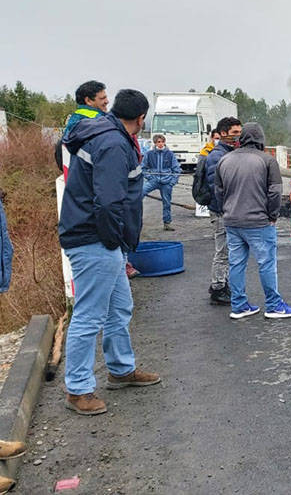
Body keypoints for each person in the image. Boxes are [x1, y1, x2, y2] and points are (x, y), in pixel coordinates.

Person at [58, 89, 161, 416]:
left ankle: (121, 369)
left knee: (119, 307)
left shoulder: (103, 132)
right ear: (141, 118)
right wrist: (114, 238)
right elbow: (108, 202)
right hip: (95, 240)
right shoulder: (114, 144)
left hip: (103, 240)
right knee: (89, 315)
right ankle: (78, 389)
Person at [214, 122, 291, 320]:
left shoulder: (224, 160)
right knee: (266, 264)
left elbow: (218, 192)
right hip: (259, 223)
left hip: (232, 222)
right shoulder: (267, 161)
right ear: (261, 139)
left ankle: (239, 305)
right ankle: (273, 305)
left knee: (236, 264)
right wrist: (272, 216)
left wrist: (226, 211)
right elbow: (275, 192)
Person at [204, 117, 241, 305]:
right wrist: (227, 210)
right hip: (221, 212)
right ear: (223, 133)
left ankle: (222, 283)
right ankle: (218, 287)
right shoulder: (217, 156)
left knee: (227, 250)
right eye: (234, 133)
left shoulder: (229, 153)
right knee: (222, 251)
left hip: (227, 210)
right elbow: (215, 188)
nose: (238, 136)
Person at [55, 80, 108, 172]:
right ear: (88, 101)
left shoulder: (75, 118)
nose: (107, 101)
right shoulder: (98, 121)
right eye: (102, 98)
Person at [141, 134, 182, 230]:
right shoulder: (149, 154)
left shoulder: (170, 154)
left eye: (162, 141)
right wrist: (150, 177)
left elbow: (177, 169)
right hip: (154, 180)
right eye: (158, 142)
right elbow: (143, 168)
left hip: (167, 182)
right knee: (140, 193)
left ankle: (167, 223)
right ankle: (137, 220)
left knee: (167, 203)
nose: (160, 144)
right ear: (155, 143)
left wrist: (172, 182)